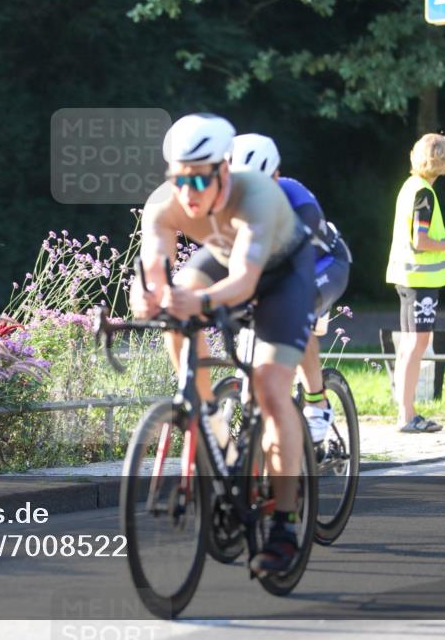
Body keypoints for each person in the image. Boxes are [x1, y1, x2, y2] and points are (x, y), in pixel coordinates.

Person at [130, 113, 315, 575]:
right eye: (179, 179)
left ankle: (285, 521)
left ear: (224, 172)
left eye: (199, 179)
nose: (187, 193)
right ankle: (207, 410)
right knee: (177, 305)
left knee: (272, 390)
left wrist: (197, 299)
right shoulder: (164, 203)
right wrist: (149, 297)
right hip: (223, 260)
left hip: (282, 273)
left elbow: (246, 282)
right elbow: (154, 268)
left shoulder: (256, 195)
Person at [231, 134, 351, 445]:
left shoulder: (294, 194)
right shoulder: (230, 203)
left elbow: (292, 253)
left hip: (326, 265)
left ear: (276, 176)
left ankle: (317, 403)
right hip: (281, 270)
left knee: (296, 311)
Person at [385, 133, 445, 433]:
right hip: (420, 279)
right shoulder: (424, 193)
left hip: (406, 275)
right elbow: (421, 240)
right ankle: (407, 415)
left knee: (409, 344)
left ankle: (404, 410)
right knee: (417, 344)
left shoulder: (410, 187)